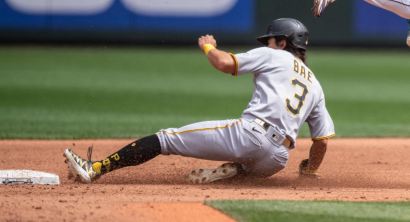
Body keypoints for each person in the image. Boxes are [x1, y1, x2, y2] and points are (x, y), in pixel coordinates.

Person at [63, 19, 335, 184]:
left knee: (165, 139)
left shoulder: (275, 54)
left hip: (250, 135)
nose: (268, 43)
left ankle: (95, 168)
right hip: (277, 160)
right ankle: (236, 171)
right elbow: (321, 141)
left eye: (271, 39)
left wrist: (208, 46)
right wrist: (309, 170)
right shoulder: (316, 85)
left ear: (283, 42)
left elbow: (225, 63)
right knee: (251, 167)